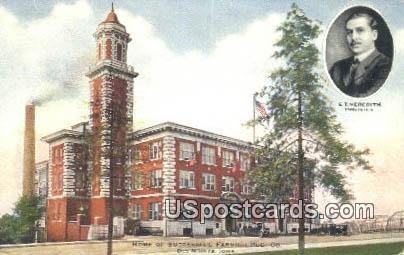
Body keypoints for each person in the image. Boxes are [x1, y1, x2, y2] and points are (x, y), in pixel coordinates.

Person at [329, 11, 392, 97]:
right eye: (349, 32)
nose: (354, 37)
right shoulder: (337, 68)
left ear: (374, 35)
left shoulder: (387, 65)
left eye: (360, 30)